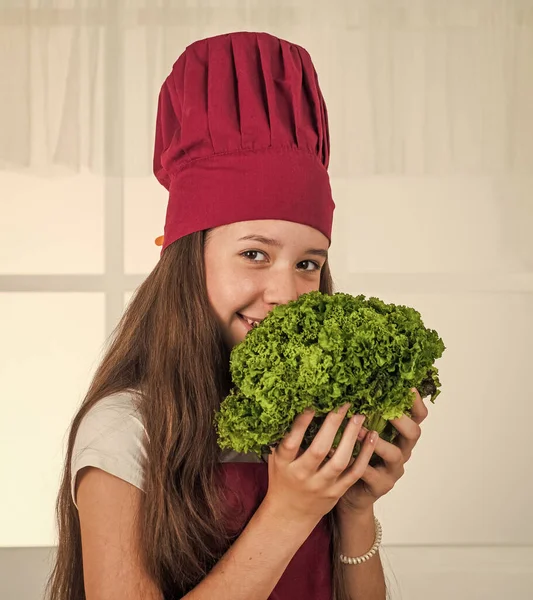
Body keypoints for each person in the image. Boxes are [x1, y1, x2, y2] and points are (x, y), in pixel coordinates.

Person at [45, 31, 428, 600]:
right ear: (187, 257)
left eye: (308, 263)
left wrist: (353, 508)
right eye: (254, 254)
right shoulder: (128, 429)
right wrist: (290, 512)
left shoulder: (311, 419)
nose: (287, 293)